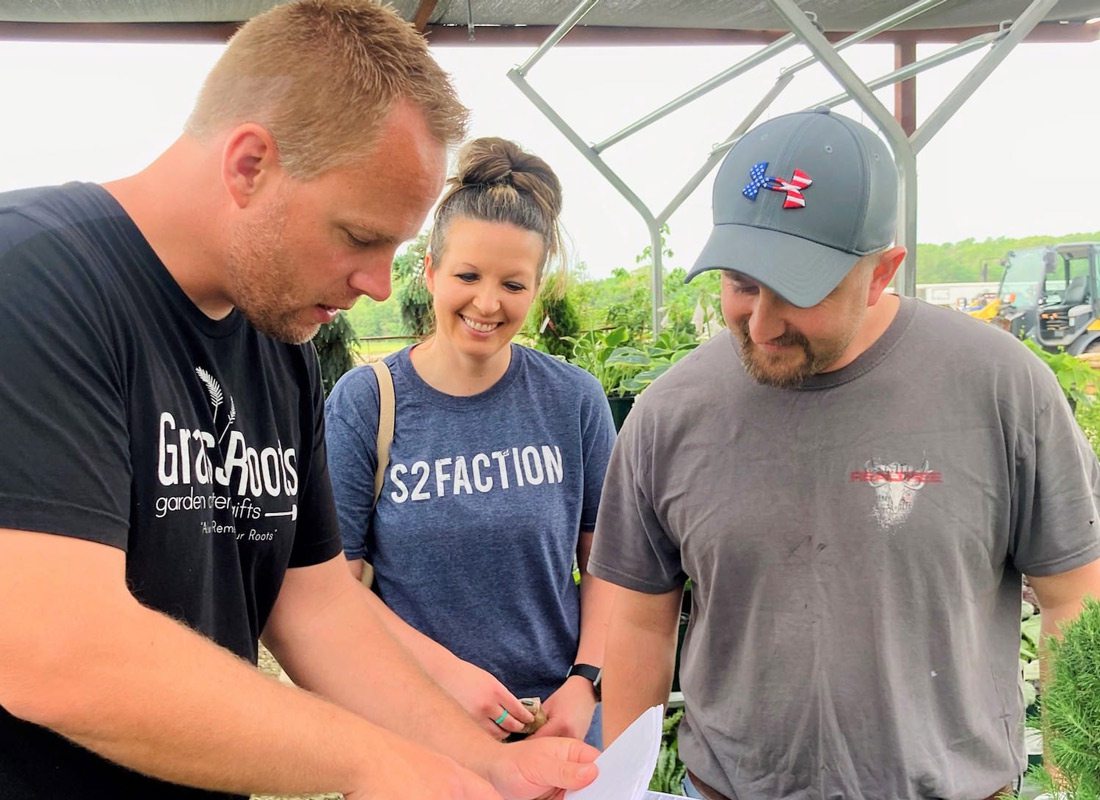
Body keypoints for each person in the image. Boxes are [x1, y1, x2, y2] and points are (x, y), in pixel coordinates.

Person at [0, 3, 600, 799]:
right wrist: (380, 764)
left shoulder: (276, 347)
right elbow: (58, 652)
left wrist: (484, 760)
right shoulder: (35, 282)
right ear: (250, 164)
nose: (380, 284)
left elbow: (315, 605)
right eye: (358, 237)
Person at [589, 108, 1100, 800]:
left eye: (801, 291)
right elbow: (637, 624)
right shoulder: (669, 414)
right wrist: (621, 785)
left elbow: (1076, 603)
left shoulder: (1001, 389)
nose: (762, 324)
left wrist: (1081, 781)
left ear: (883, 270)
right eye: (740, 283)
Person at [325, 137, 617, 746]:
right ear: (429, 272)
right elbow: (334, 588)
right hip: (419, 725)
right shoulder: (367, 403)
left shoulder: (574, 401)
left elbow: (608, 565)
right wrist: (449, 677)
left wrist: (586, 681)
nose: (487, 303)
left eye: (513, 284)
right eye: (467, 275)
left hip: (556, 725)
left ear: (538, 289)